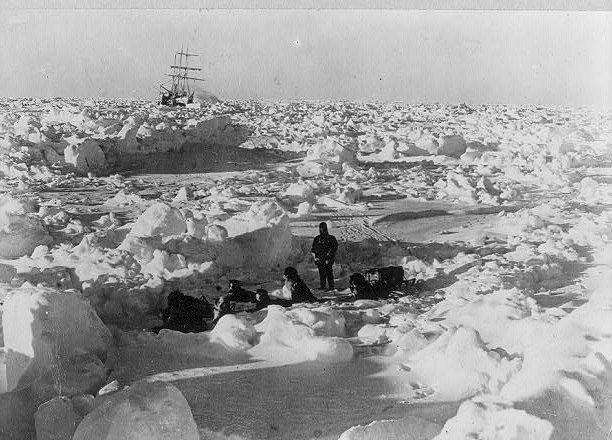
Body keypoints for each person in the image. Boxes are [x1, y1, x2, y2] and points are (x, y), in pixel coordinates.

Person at [311, 222, 338, 290]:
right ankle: (323, 286)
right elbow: (313, 249)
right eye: (321, 228)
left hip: (328, 258)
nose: (322, 230)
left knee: (329, 272)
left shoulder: (331, 238)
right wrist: (315, 257)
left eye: (323, 228)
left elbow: (334, 248)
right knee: (321, 273)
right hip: (320, 258)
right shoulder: (317, 239)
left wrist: (329, 257)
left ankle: (331, 287)